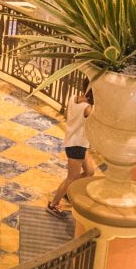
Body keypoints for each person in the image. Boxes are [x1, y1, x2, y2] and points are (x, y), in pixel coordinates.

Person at [45, 88, 94, 218]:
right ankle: (53, 204)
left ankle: (67, 191)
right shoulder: (88, 109)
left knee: (90, 172)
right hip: (76, 145)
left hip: (78, 143)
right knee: (71, 178)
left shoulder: (73, 98)